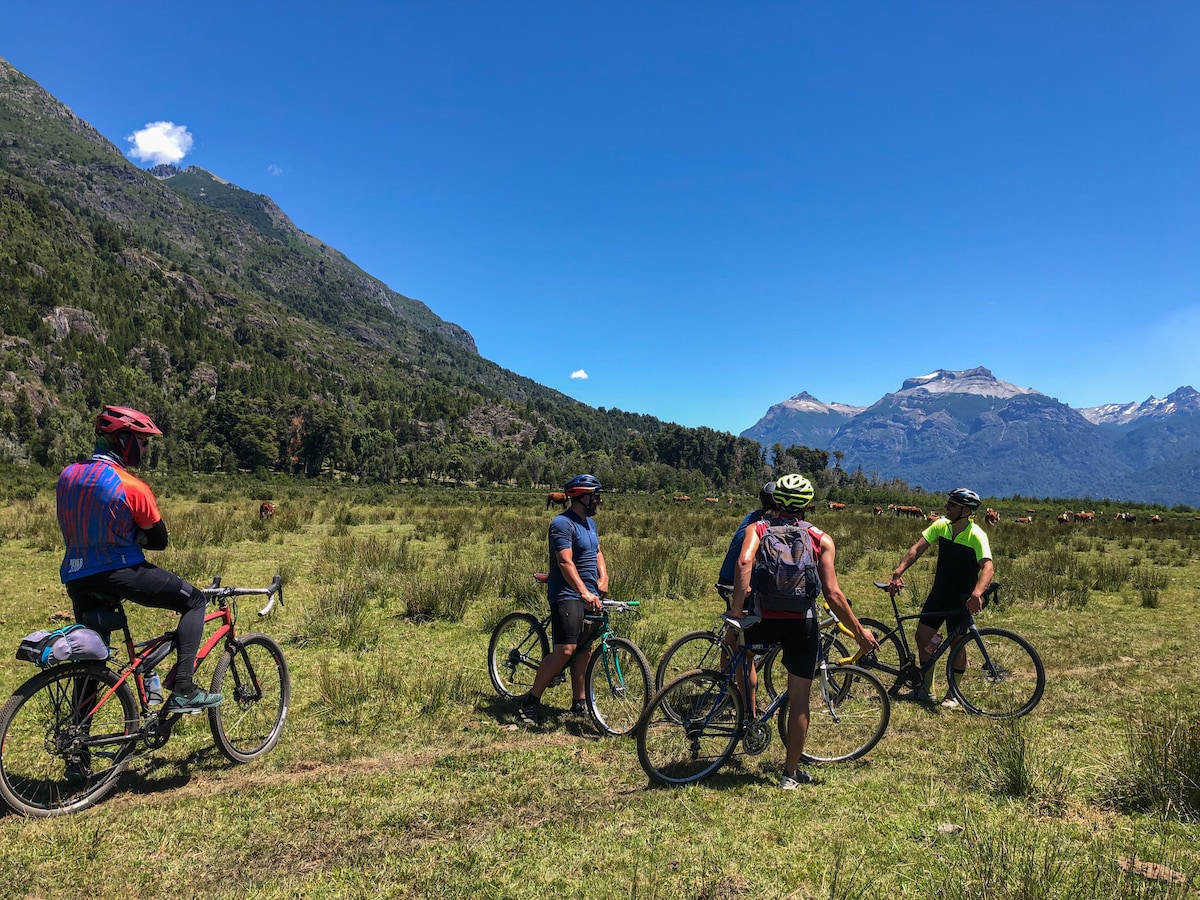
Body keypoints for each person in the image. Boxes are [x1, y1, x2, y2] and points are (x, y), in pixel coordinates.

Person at [56, 405, 223, 713]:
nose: (145, 449)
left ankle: (78, 738)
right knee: (195, 601)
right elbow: (159, 540)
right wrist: (133, 535)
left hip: (76, 576)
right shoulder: (131, 486)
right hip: (120, 571)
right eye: (143, 442)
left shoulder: (67, 476)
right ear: (124, 440)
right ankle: (184, 688)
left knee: (93, 657)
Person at [728, 474, 878, 789]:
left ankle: (749, 719)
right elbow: (833, 594)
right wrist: (859, 631)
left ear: (776, 500)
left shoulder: (758, 529)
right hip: (801, 623)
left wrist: (737, 610)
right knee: (799, 701)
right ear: (808, 505)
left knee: (741, 654)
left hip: (763, 617)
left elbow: (743, 563)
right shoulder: (820, 539)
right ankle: (790, 774)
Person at [885, 487, 994, 707]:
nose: (946, 507)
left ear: (965, 511)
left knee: (957, 644)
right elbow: (917, 549)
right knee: (922, 637)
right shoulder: (941, 526)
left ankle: (954, 694)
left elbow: (988, 567)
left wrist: (976, 594)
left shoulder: (976, 535)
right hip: (939, 593)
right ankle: (927, 689)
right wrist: (898, 572)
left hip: (961, 599)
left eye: (952, 505)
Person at [518, 474, 608, 727]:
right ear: (581, 497)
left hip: (590, 593)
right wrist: (582, 591)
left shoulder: (590, 524)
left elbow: (597, 552)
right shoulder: (562, 524)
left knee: (584, 648)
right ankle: (531, 701)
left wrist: (604, 577)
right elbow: (565, 562)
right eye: (595, 496)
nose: (598, 501)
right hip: (567, 593)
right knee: (566, 650)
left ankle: (579, 702)